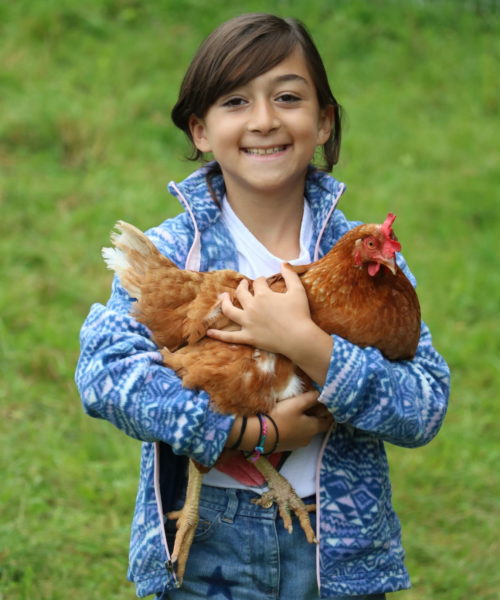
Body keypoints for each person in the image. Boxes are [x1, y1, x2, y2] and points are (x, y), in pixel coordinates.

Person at [75, 13, 450, 600]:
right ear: (200, 130)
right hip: (204, 544)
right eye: (235, 101)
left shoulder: (363, 260)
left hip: (336, 550)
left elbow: (425, 405)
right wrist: (256, 432)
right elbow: (104, 376)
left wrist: (307, 344)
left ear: (324, 120)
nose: (265, 120)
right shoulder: (178, 250)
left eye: (287, 97)